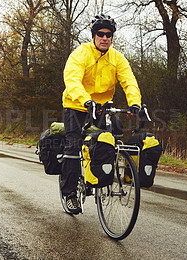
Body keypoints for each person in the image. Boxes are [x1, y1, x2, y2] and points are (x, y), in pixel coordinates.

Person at [61, 14, 142, 214]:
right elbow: (71, 79)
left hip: (102, 107)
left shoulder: (117, 58)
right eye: (101, 34)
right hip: (76, 105)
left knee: (115, 134)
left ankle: (104, 172)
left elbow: (129, 81)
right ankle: (70, 193)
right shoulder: (81, 53)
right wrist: (86, 100)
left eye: (109, 34)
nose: (105, 38)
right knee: (73, 146)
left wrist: (135, 103)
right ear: (94, 35)